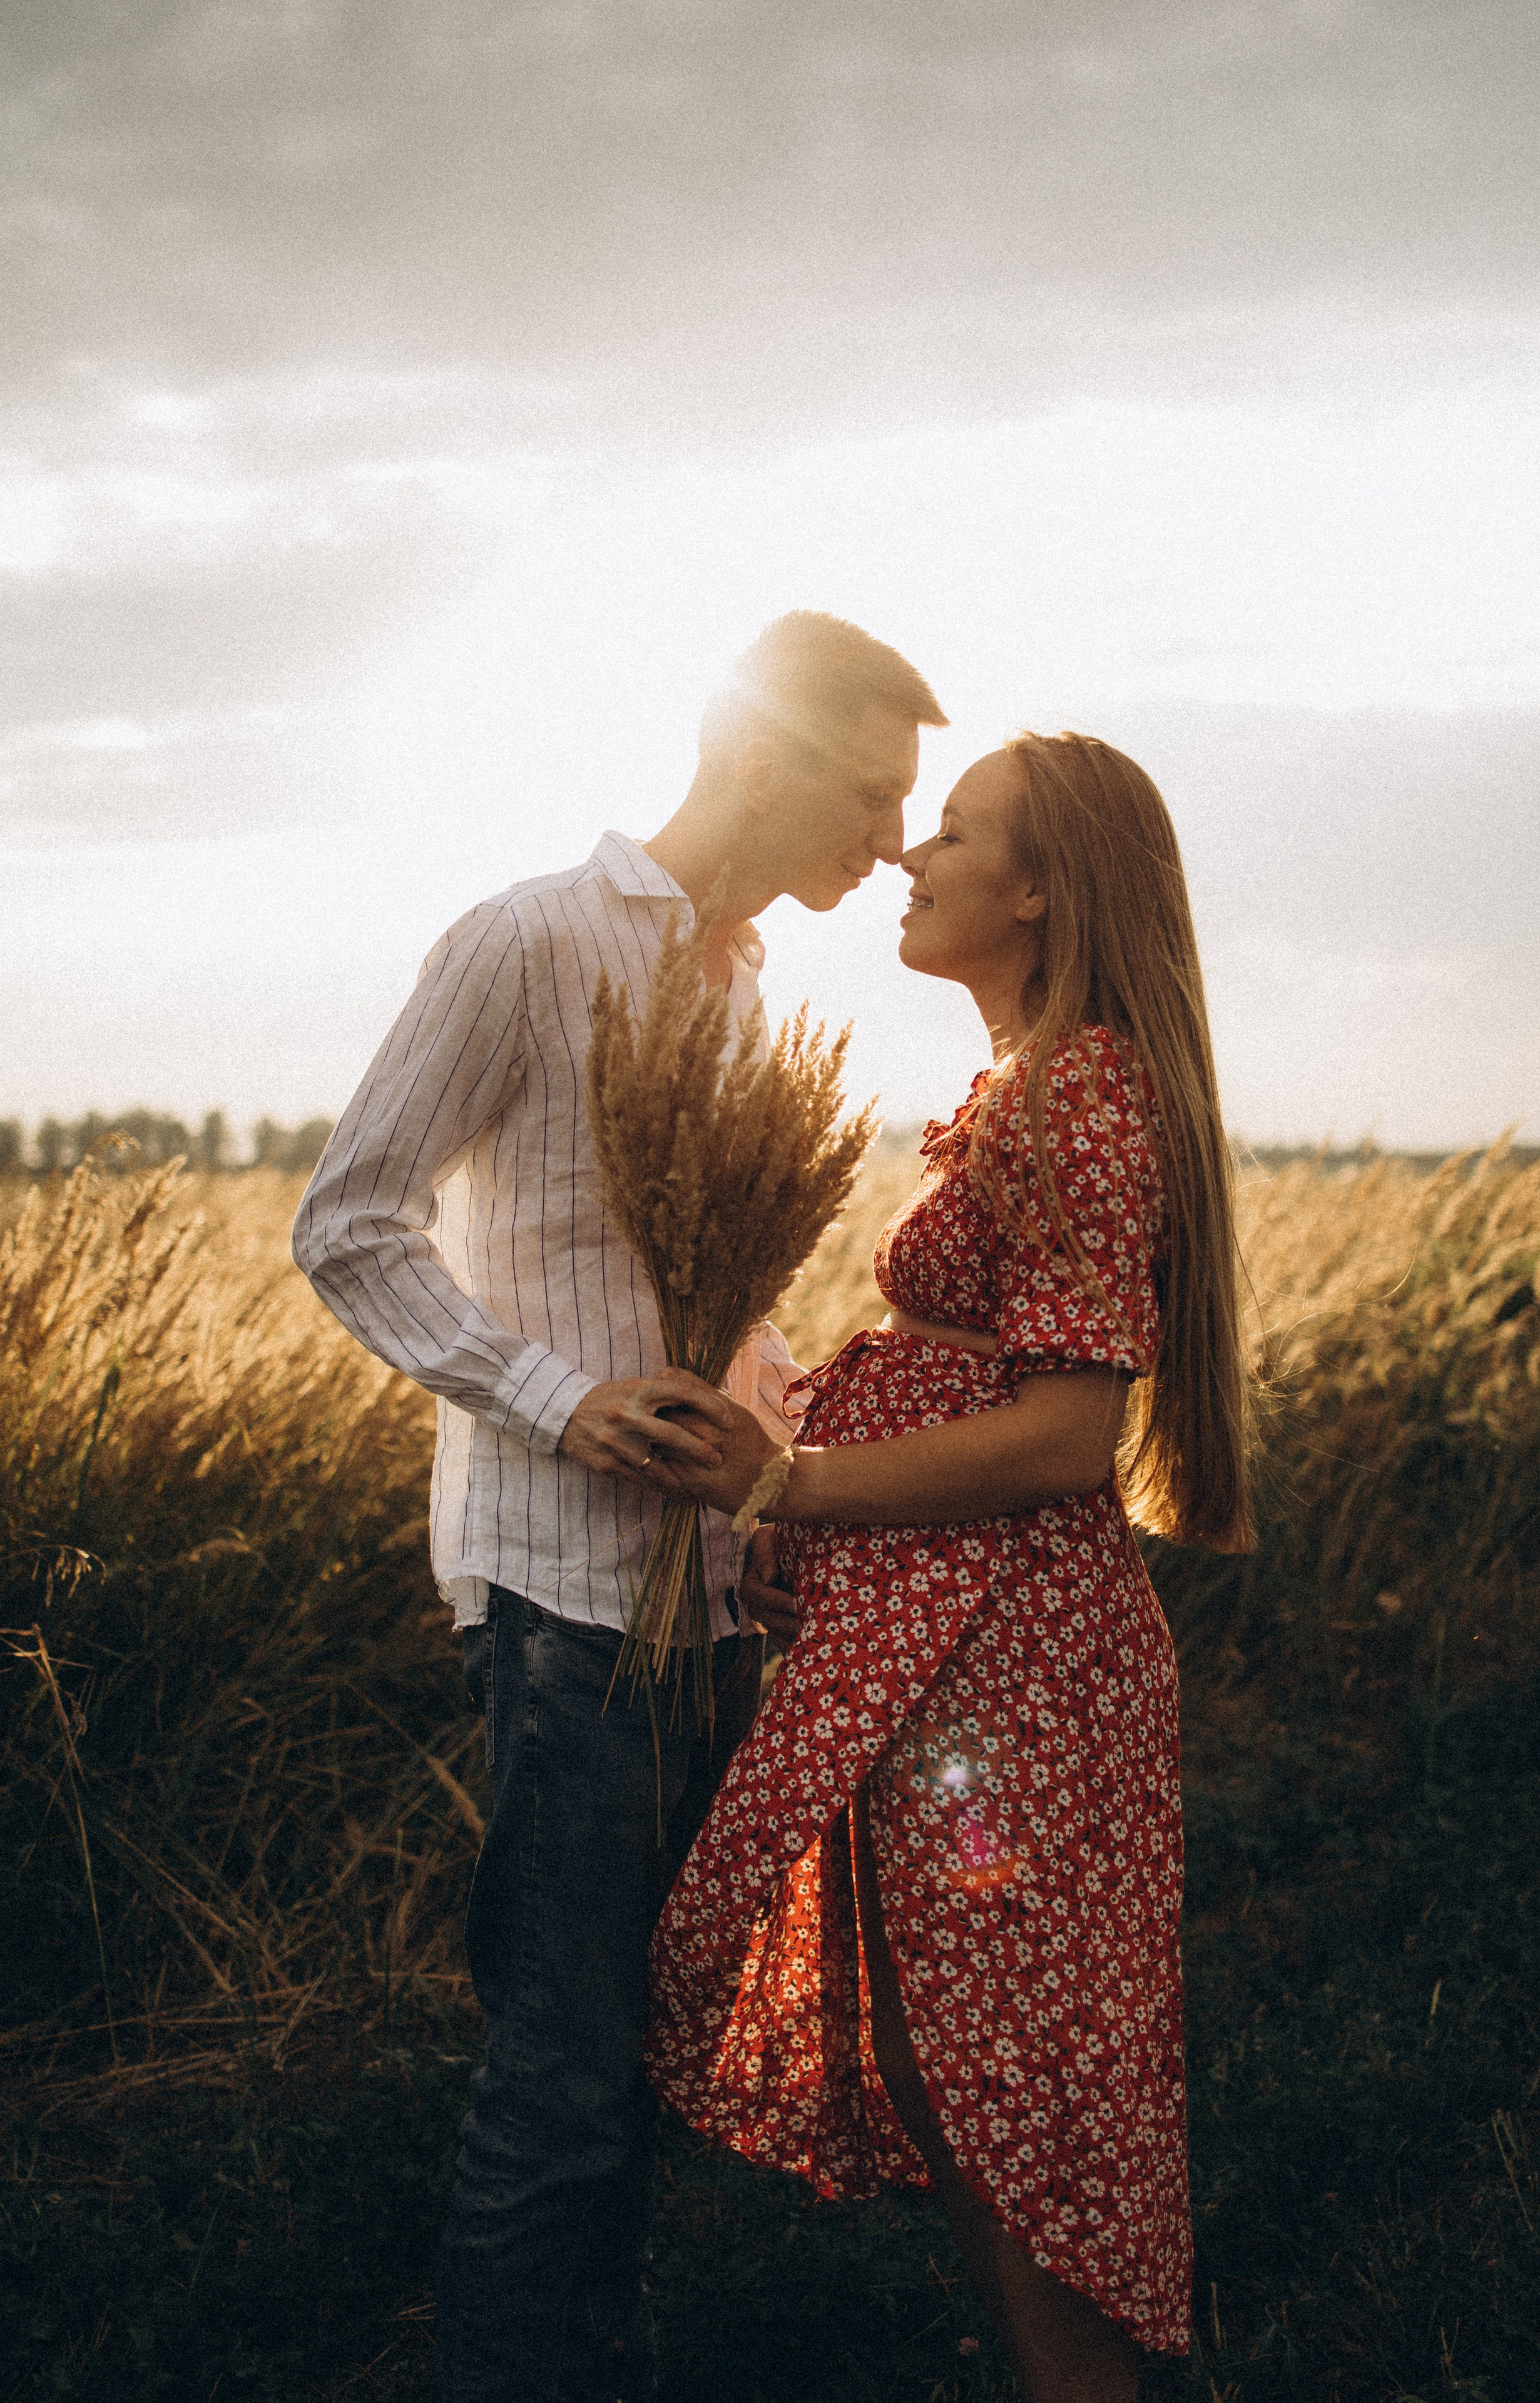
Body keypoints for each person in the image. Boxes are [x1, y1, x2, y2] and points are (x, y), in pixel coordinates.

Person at [290, 611, 948, 2403]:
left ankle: (594, 2355)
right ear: (760, 750)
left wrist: (805, 1433)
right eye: (873, 792)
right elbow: (347, 1220)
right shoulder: (528, 940)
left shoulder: (738, 985)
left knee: (652, 2048)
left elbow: (709, 1292)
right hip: (568, 1605)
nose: (895, 839)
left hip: (711, 1595)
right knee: (564, 2070)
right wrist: (561, 1401)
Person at [648, 732, 1252, 2403]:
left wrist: (798, 1482)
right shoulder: (1031, 1086)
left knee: (1010, 2067)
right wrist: (820, 1534)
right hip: (961, 1676)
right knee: (963, 2047)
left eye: (957, 834)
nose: (911, 854)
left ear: (1042, 888)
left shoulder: (1077, 1093)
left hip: (1012, 1687)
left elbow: (1066, 1436)